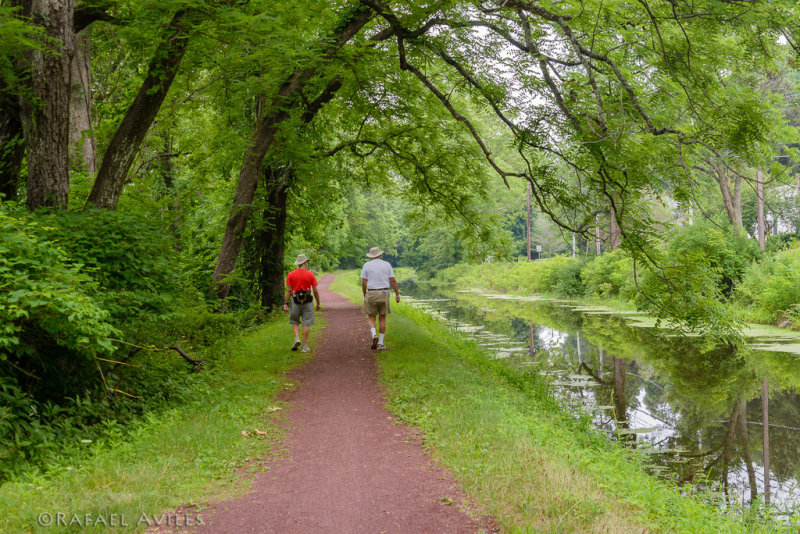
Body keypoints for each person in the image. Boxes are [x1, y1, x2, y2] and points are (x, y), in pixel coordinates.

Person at [360, 247, 400, 350]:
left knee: (371, 316)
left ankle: (374, 335)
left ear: (371, 256)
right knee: (382, 317)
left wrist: (365, 294)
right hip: (384, 292)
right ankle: (381, 343)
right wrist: (397, 294)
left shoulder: (366, 265)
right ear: (380, 255)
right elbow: (393, 280)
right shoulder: (386, 264)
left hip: (372, 292)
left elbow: (364, 282)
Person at [283, 253, 321, 353]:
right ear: (305, 262)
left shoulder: (291, 274)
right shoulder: (310, 274)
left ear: (298, 263)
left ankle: (297, 338)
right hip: (307, 301)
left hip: (295, 301)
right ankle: (304, 346)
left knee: (295, 322)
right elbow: (316, 291)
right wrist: (318, 303)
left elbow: (288, 290)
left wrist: (285, 303)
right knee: (306, 323)